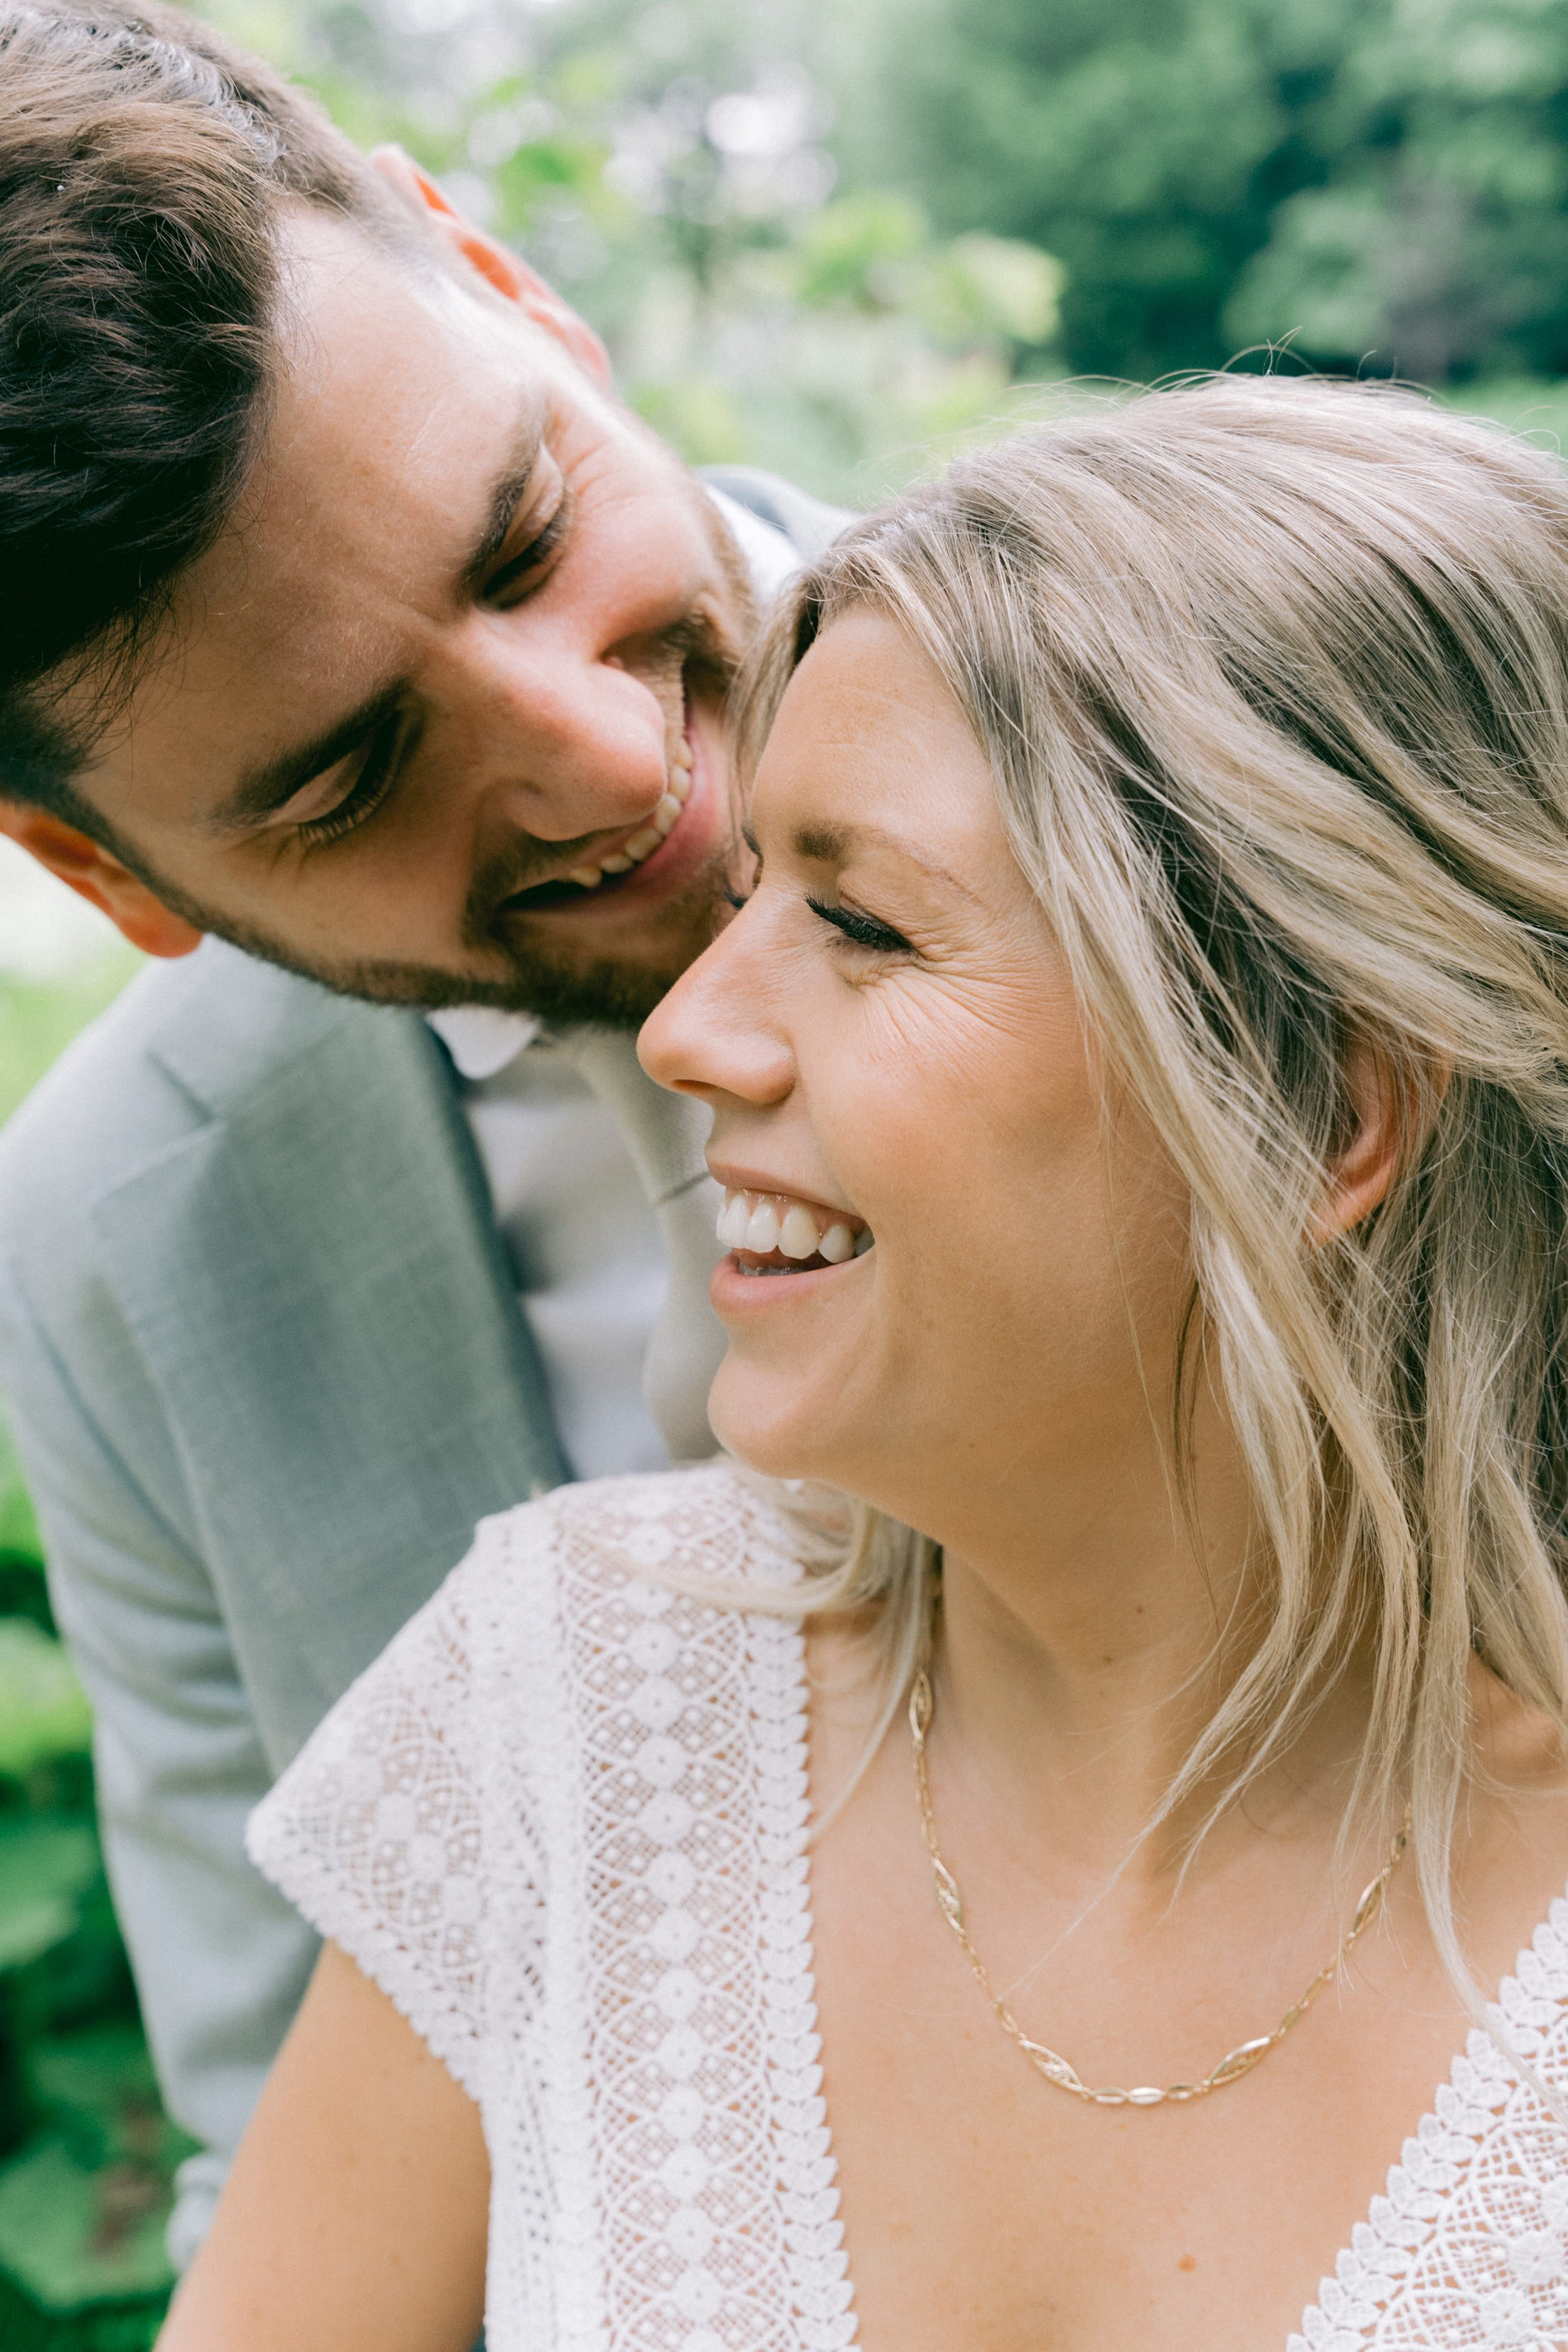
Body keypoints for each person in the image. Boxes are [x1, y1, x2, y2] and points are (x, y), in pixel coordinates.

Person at [153, 378, 1568, 2351]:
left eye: (866, 924)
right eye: (750, 896)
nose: (688, 1031)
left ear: (1323, 1111)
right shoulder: (571, 1701)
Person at [0, 0, 844, 2262]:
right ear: (107, 875)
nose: (609, 764)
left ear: (504, 280)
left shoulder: (1315, 744)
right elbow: (286, 2137)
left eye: (526, 532)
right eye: (351, 776)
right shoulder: (109, 1249)